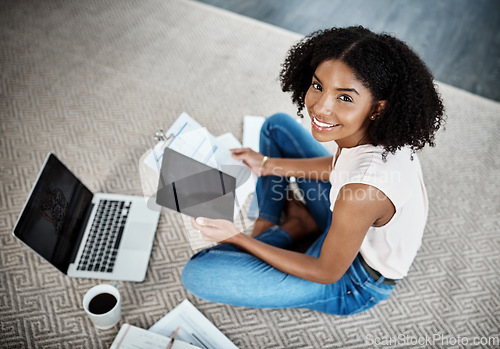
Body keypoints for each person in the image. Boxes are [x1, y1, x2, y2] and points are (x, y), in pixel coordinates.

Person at [181, 26, 445, 315]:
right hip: (345, 221)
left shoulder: (365, 190)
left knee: (197, 273)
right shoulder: (374, 136)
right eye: (318, 86)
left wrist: (237, 238)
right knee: (277, 127)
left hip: (354, 279)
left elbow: (325, 272)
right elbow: (340, 169)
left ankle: (291, 227)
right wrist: (267, 165)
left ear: (378, 108)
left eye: (344, 98)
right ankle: (275, 224)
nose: (320, 108)